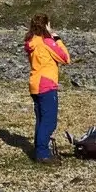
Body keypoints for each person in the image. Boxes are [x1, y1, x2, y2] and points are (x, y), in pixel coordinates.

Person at [24, 13, 71, 163]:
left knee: (41, 120)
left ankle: (40, 150)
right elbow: (65, 58)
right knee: (49, 121)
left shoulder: (31, 42)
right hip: (46, 84)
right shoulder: (46, 42)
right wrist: (56, 39)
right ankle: (43, 154)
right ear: (46, 26)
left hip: (35, 84)